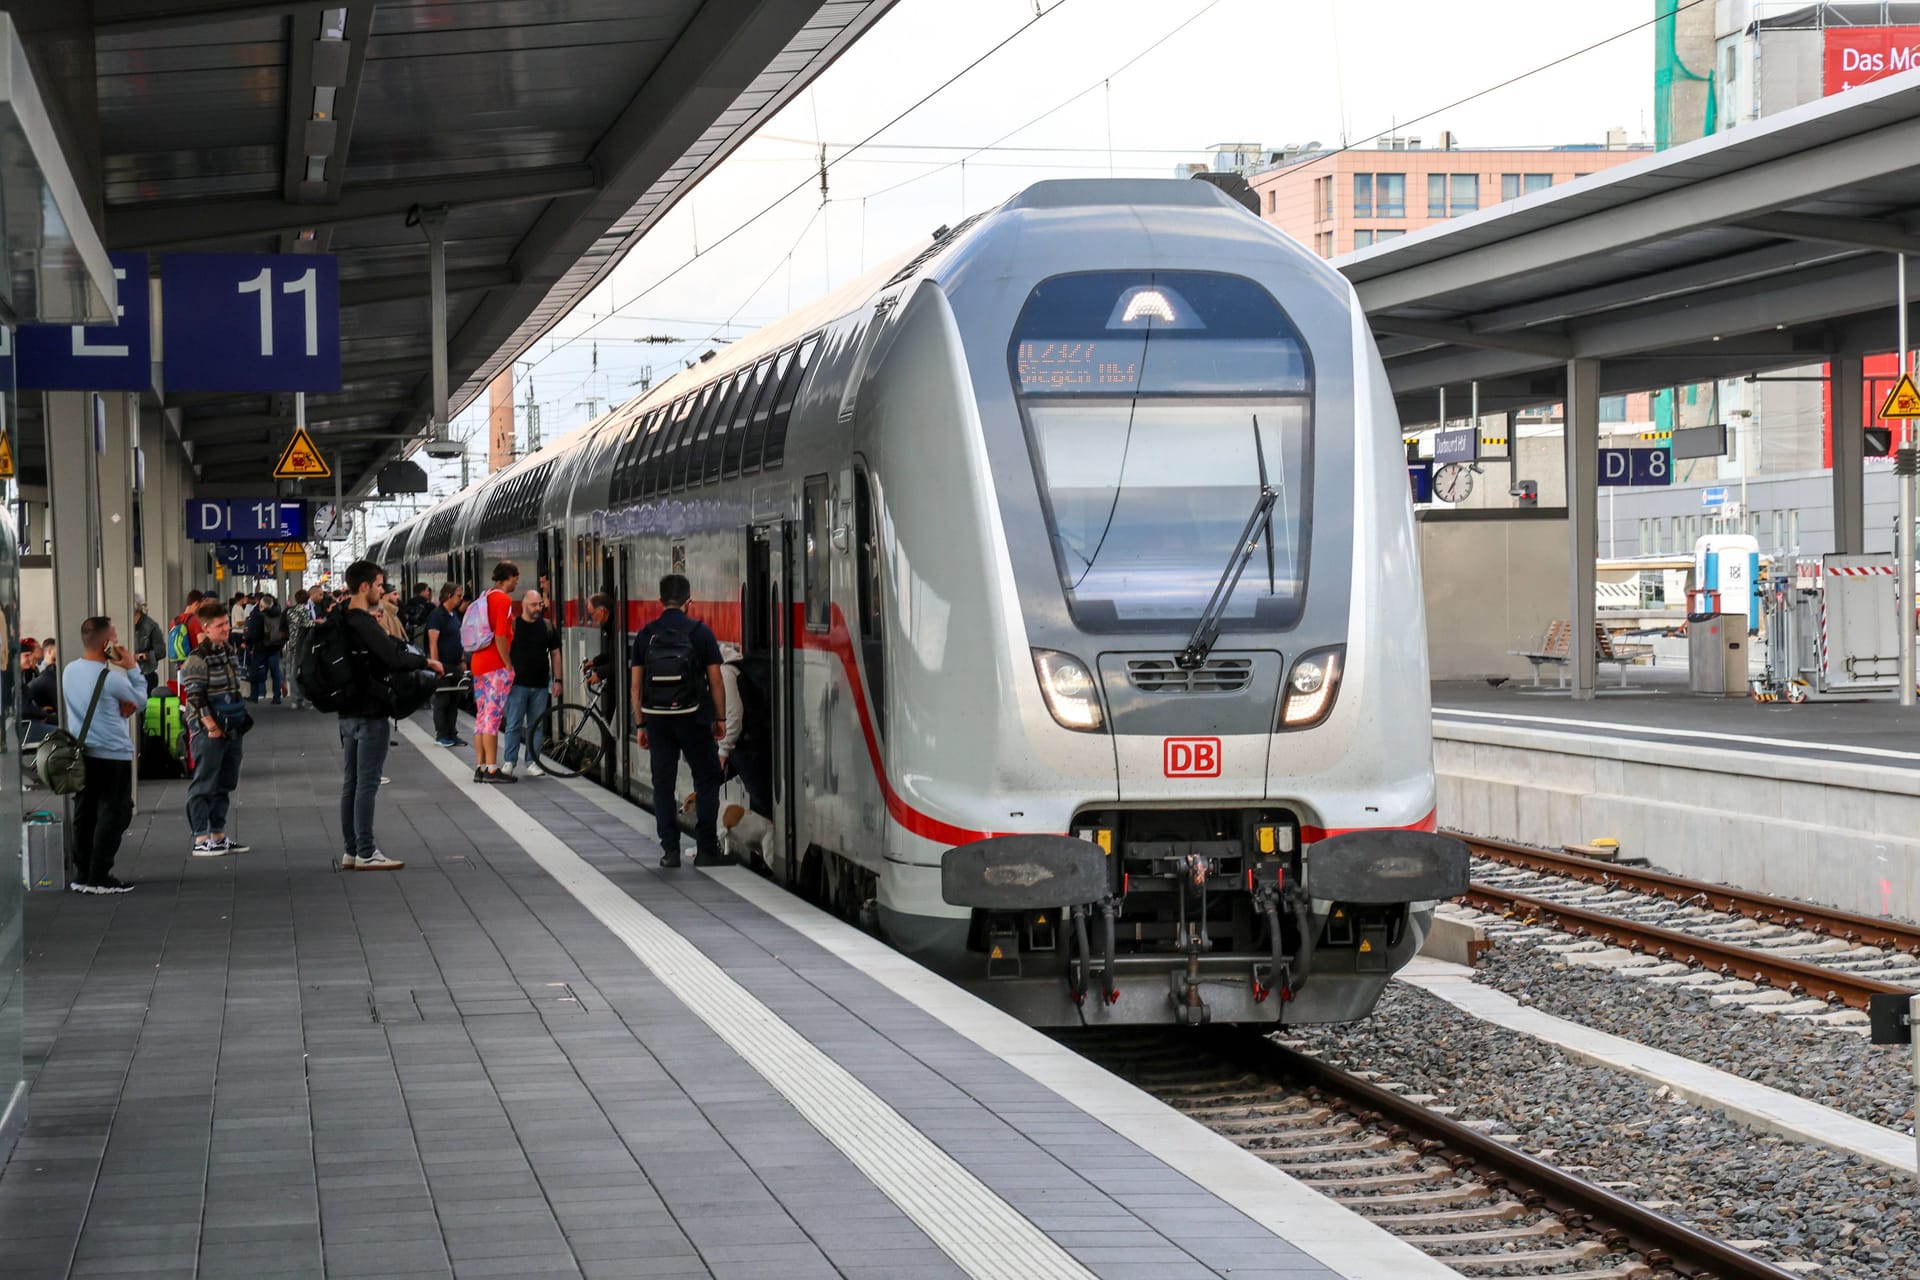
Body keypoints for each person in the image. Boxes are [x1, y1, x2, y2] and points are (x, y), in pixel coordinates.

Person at [334, 559, 440, 871]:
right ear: (364, 587)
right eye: (379, 585)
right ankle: (366, 852)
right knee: (366, 784)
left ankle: (352, 851)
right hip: (371, 712)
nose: (382, 591)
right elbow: (393, 656)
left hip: (347, 713)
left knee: (351, 783)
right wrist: (426, 664)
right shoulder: (363, 621)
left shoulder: (339, 617)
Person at [630, 574, 727, 868]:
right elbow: (716, 680)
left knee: (663, 783)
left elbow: (636, 687)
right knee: (707, 778)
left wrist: (641, 724)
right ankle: (707, 848)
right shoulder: (701, 632)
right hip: (694, 716)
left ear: (660, 601)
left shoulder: (647, 634)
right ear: (689, 601)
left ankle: (670, 851)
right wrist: (720, 717)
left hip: (658, 720)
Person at [62, 616, 146, 893]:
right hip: (113, 755)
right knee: (116, 813)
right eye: (116, 637)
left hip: (82, 753)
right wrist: (132, 668)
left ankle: (82, 873)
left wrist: (122, 703)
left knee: (85, 812)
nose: (119, 642)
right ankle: (100, 875)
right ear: (107, 643)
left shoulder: (69, 671)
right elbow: (141, 701)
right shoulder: (111, 679)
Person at [179, 601, 251, 857]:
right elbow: (195, 697)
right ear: (206, 628)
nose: (227, 628)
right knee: (204, 782)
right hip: (209, 730)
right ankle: (200, 838)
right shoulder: (197, 658)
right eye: (220, 625)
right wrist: (210, 726)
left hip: (232, 727)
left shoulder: (228, 650)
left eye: (227, 623)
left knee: (225, 782)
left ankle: (217, 835)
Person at [466, 561, 520, 784]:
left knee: (481, 716)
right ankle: (492, 769)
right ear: (509, 577)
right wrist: (507, 663)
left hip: (478, 662)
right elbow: (500, 635)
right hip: (495, 665)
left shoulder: (485, 597)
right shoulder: (503, 599)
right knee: (493, 716)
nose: (517, 581)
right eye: (516, 577)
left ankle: (480, 767)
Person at [501, 589, 560, 777]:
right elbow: (502, 649)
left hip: (541, 684)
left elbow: (556, 653)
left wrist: (558, 679)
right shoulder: (514, 625)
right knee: (513, 724)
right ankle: (509, 761)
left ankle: (532, 762)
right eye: (534, 605)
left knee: (537, 725)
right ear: (524, 605)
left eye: (540, 605)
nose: (538, 608)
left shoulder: (547, 626)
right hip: (517, 684)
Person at [426, 583, 467, 748]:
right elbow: (433, 642)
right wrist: (436, 665)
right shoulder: (437, 615)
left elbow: (460, 638)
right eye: (458, 595)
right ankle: (441, 734)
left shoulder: (454, 614)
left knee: (453, 700)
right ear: (449, 595)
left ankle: (452, 733)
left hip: (455, 664)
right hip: (443, 664)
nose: (461, 599)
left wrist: (463, 659)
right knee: (443, 699)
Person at [245, 593, 289, 703]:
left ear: (261, 604)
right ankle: (277, 697)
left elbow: (253, 633)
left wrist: (248, 643)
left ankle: (255, 695)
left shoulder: (258, 615)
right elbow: (285, 630)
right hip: (275, 647)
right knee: (276, 673)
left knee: (256, 670)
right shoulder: (279, 613)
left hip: (260, 647)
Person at [585, 593, 616, 717]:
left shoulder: (615, 627)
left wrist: (600, 673)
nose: (592, 619)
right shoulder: (611, 626)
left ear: (602, 611)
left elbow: (619, 660)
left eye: (592, 614)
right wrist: (595, 661)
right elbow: (611, 654)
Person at [285, 588, 315, 709]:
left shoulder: (290, 611)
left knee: (293, 671)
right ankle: (304, 698)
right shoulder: (305, 612)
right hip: (302, 645)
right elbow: (310, 625)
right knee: (303, 671)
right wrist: (317, 621)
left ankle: (294, 699)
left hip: (292, 643)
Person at [131, 597, 165, 695]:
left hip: (146, 675)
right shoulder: (123, 626)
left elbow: (161, 652)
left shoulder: (151, 626)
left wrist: (141, 656)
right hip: (128, 675)